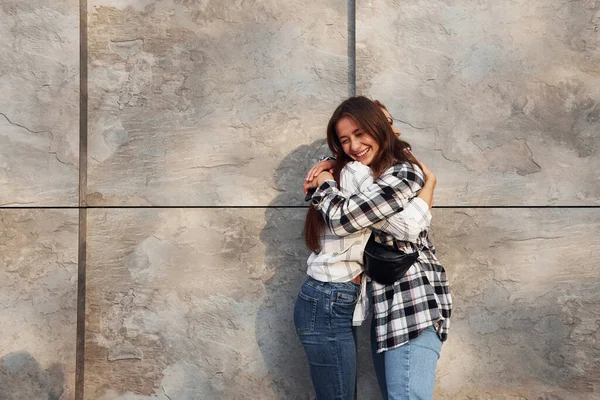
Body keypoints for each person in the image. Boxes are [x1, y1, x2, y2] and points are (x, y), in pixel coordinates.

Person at [301, 96, 452, 400]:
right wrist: (338, 172)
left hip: (413, 301)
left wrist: (327, 183)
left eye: (360, 134)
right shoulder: (368, 176)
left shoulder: (404, 172)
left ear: (381, 127)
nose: (353, 146)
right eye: (344, 140)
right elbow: (383, 220)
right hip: (385, 305)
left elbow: (345, 220)